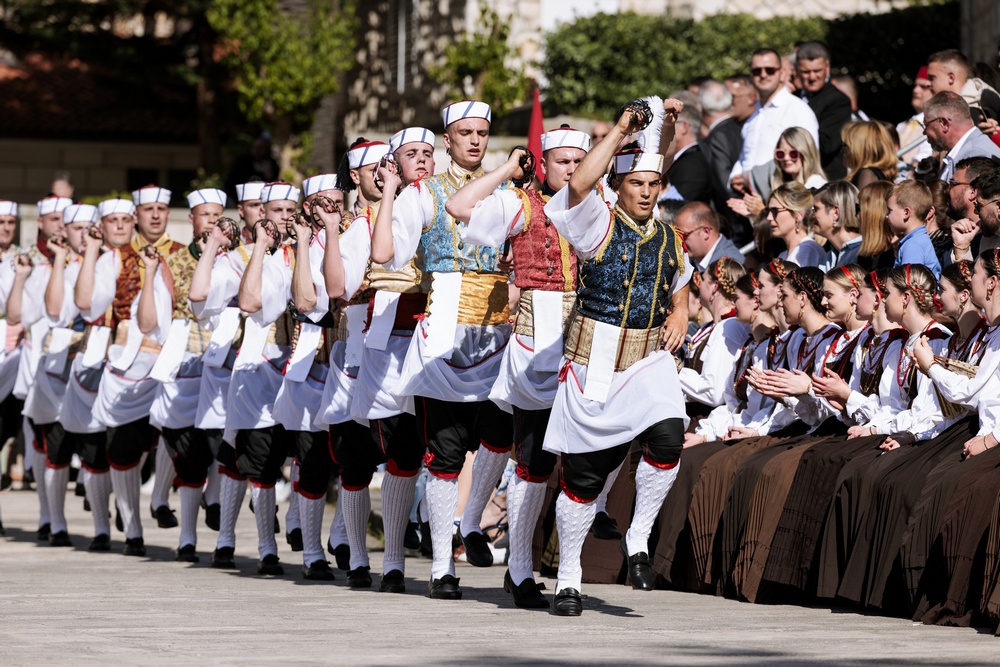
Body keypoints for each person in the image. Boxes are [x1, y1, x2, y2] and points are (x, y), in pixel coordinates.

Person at [542, 97, 691, 616]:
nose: (647, 193)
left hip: (648, 356)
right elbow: (577, 185)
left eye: (653, 185)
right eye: (636, 184)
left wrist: (680, 311)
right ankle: (568, 576)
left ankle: (638, 540)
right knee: (584, 477)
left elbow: (680, 280)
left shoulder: (671, 237)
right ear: (618, 186)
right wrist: (624, 127)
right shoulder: (595, 226)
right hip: (596, 358)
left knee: (671, 434)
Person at [370, 100, 514, 600]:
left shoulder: (511, 190)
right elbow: (387, 253)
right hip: (446, 326)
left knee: (501, 434)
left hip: (498, 328)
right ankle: (439, 569)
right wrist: (389, 197)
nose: (475, 140)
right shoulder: (424, 193)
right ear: (446, 140)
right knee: (444, 453)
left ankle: (471, 520)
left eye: (482, 132)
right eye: (464, 132)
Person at [447, 124, 590, 608]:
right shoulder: (520, 202)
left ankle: (479, 528)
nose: (572, 170)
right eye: (563, 162)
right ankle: (518, 565)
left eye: (579, 161)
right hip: (533, 337)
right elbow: (460, 208)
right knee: (526, 450)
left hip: (582, 337)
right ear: (545, 165)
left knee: (510, 433)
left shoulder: (601, 208)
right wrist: (508, 170)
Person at [74, 185, 181, 556]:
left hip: (174, 360)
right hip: (128, 364)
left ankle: (161, 499)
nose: (155, 216)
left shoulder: (183, 256)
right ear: (138, 216)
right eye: (148, 209)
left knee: (179, 431)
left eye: (161, 209)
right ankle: (131, 527)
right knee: (120, 448)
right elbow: (89, 305)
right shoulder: (115, 259)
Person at [144, 188, 226, 562]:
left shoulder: (237, 259)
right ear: (191, 219)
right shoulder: (172, 262)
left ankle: (214, 504)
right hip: (184, 362)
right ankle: (187, 536)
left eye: (216, 214)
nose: (210, 221)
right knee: (187, 448)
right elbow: (160, 315)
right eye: (203, 215)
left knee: (222, 442)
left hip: (222, 360)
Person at [730, 48, 819, 200]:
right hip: (749, 202)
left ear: (782, 73)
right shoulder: (754, 113)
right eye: (757, 71)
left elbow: (809, 158)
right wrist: (735, 177)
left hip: (782, 202)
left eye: (769, 70)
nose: (763, 75)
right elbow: (746, 155)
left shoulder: (797, 109)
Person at [678, 258, 750, 415]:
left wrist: (675, 368)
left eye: (703, 280)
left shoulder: (729, 327)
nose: (700, 285)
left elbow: (714, 392)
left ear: (714, 287)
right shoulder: (712, 327)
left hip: (707, 419)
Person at [728, 127, 827, 220]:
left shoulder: (818, 187)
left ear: (806, 153)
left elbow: (801, 227)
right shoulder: (783, 186)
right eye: (780, 154)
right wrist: (756, 216)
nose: (786, 158)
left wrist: (762, 213)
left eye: (793, 153)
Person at [795, 41, 852, 179]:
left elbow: (827, 145)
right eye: (806, 72)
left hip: (825, 179)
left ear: (827, 67)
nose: (812, 77)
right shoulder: (792, 98)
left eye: (817, 71)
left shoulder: (838, 101)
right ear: (797, 70)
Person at [922, 91, 1000, 182]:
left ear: (944, 124)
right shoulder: (960, 151)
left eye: (926, 125)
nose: (924, 132)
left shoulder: (976, 156)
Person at [888, 180, 941, 278]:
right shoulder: (916, 240)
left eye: (889, 210)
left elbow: (909, 286)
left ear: (906, 213)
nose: (886, 216)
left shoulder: (913, 245)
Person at [673, 202, 744, 273]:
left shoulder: (728, 268)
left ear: (706, 232)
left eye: (684, 235)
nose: (679, 241)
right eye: (677, 236)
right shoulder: (695, 259)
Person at [766, 182, 825, 268]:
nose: (769, 217)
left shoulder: (808, 250)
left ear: (798, 215)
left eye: (775, 211)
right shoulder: (782, 255)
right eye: (769, 211)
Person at [665, 105, 712, 204]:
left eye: (668, 124)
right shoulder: (687, 159)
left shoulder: (693, 164)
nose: (662, 130)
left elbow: (675, 205)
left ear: (684, 127)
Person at [812, 181, 862, 269]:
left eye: (816, 209)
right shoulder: (829, 257)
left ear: (836, 213)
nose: (812, 215)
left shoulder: (862, 254)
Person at [898, 67, 935, 170]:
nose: (915, 90)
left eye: (924, 87)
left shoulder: (935, 124)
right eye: (915, 85)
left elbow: (925, 158)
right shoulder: (902, 125)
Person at [841, 121, 898, 190]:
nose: (842, 150)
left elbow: (864, 200)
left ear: (861, 149)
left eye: (845, 145)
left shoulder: (867, 174)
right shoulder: (874, 173)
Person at [856, 181, 896, 271]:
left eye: (858, 208)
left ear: (872, 214)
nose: (856, 215)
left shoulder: (894, 255)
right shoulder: (866, 255)